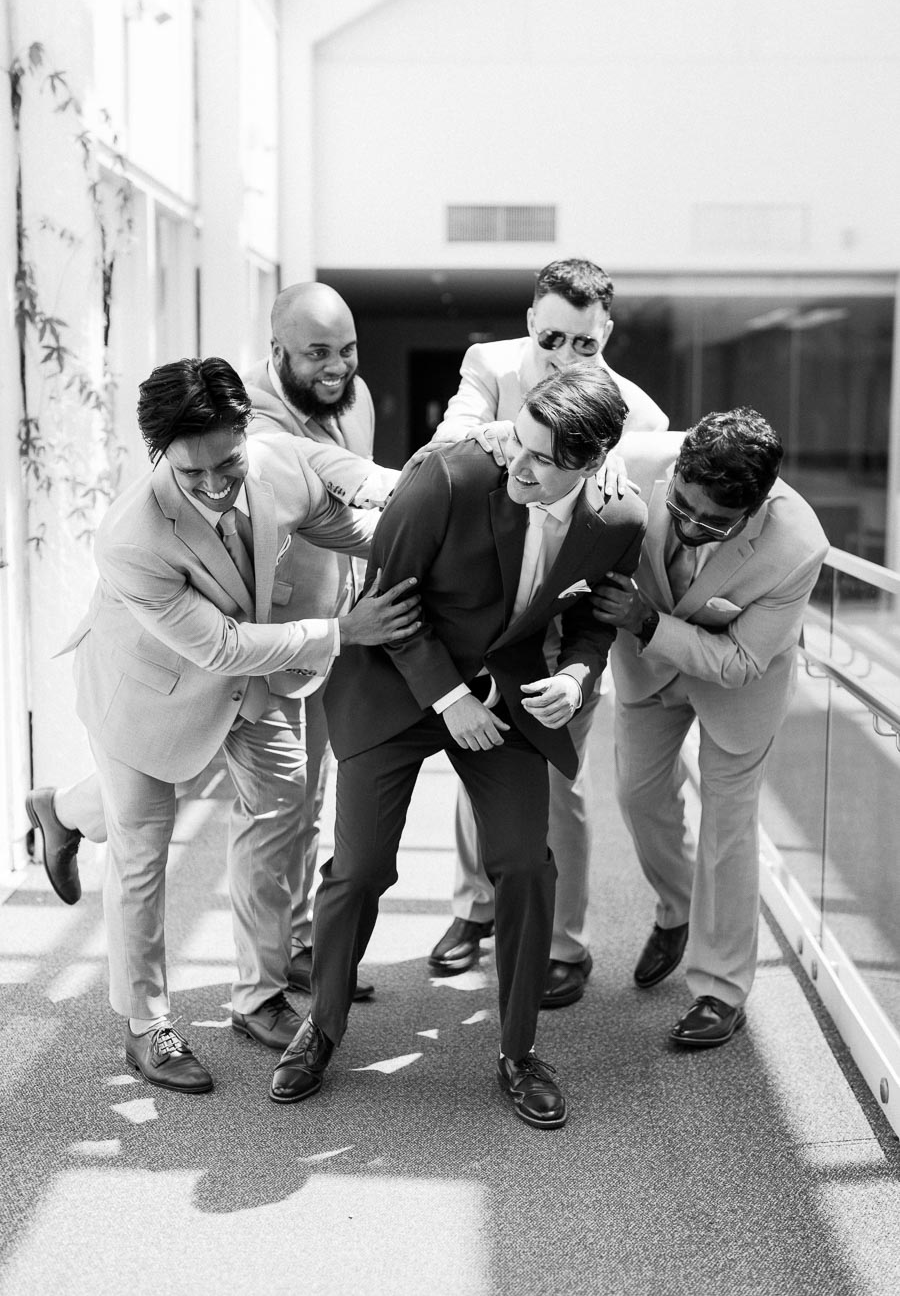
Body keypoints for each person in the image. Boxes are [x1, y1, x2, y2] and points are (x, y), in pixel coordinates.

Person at [268, 363, 647, 1130]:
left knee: (525, 866)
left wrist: (575, 678)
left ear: (596, 461)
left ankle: (517, 1050)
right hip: (396, 684)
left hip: (505, 697)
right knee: (363, 867)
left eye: (543, 459)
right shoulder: (445, 477)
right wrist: (450, 700)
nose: (519, 463)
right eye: (520, 441)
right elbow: (386, 606)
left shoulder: (619, 520)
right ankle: (324, 1026)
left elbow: (594, 621)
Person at [28, 357, 419, 1094]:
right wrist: (345, 629)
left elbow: (351, 526)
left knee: (279, 810)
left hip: (256, 679)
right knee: (143, 847)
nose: (215, 484)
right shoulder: (131, 537)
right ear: (158, 456)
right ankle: (146, 1028)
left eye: (227, 464)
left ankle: (258, 992)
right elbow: (218, 646)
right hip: (147, 688)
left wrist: (449, 509)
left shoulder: (275, 463)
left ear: (248, 432)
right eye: (190, 472)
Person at [425, 257, 669, 1008]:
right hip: (485, 613)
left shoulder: (636, 410)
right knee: (476, 764)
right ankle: (477, 906)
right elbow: (449, 442)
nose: (568, 358)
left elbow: (655, 464)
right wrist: (545, 441)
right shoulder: (489, 364)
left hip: (565, 625)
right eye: (554, 340)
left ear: (608, 335)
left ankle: (566, 943)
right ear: (533, 324)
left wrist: (612, 455)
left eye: (586, 346)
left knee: (558, 782)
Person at [591, 408, 828, 1048]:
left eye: (716, 522)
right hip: (648, 675)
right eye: (684, 509)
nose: (693, 528)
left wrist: (647, 623)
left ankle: (721, 991)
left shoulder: (798, 545)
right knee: (636, 798)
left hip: (737, 690)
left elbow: (744, 660)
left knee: (729, 830)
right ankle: (677, 909)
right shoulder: (633, 463)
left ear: (756, 508)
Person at [241, 281, 400, 1003]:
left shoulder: (354, 395)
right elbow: (333, 493)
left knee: (307, 799)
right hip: (265, 631)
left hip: (336, 628)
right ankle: (263, 982)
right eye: (318, 354)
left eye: (348, 349)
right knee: (265, 809)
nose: (339, 368)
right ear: (278, 352)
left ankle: (300, 945)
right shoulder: (248, 415)